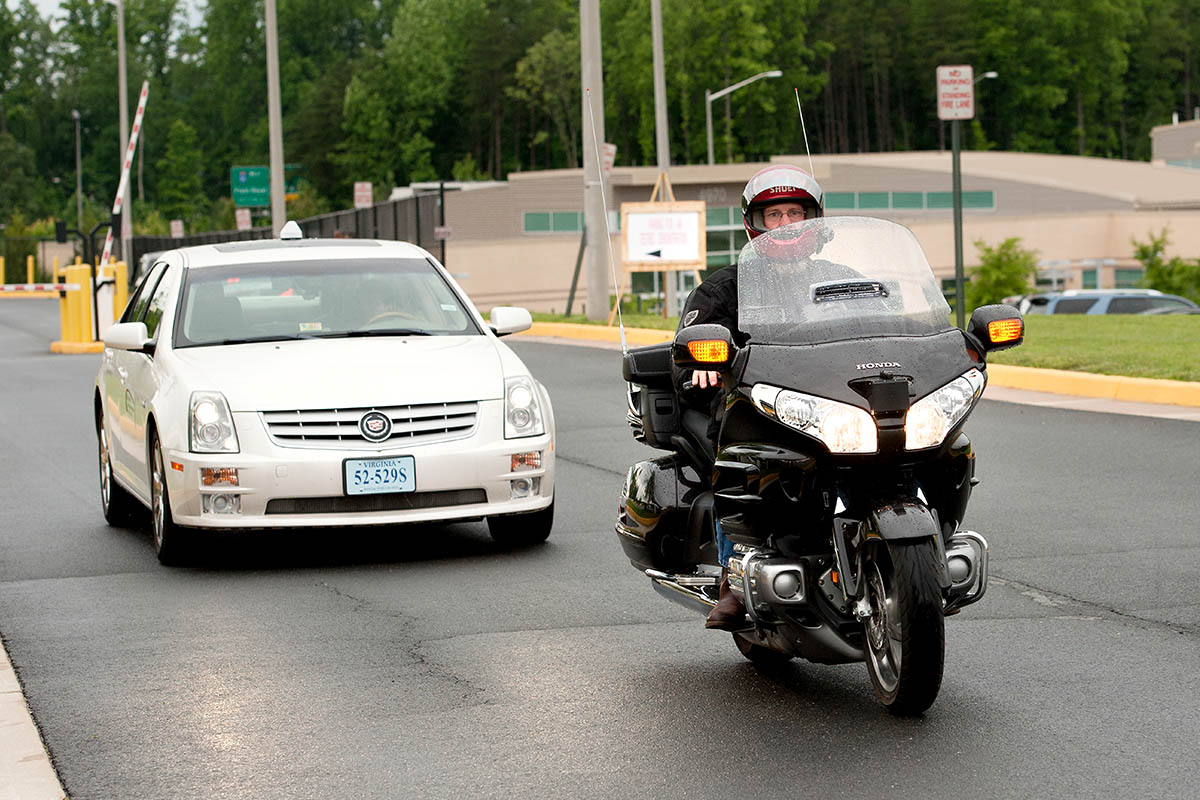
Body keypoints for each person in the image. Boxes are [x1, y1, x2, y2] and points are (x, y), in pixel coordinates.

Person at [674, 163, 825, 630]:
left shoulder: (845, 278)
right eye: (773, 215)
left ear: (814, 219)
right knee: (736, 459)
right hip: (756, 407)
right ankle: (734, 576)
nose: (784, 225)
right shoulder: (724, 287)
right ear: (754, 224)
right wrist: (700, 363)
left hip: (833, 402)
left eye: (794, 213)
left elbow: (889, 324)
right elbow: (684, 351)